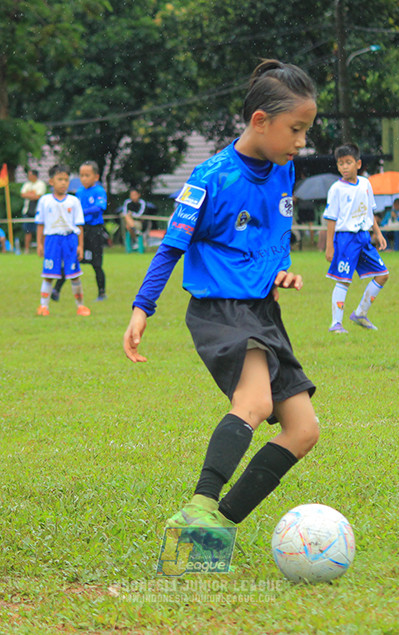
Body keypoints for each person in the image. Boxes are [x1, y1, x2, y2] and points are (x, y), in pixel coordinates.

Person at [122, 60, 319, 541]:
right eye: (295, 130)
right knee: (252, 401)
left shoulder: (283, 170)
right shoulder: (211, 177)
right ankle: (197, 510)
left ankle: (216, 526)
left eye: (306, 131)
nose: (301, 143)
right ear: (260, 121)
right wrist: (142, 308)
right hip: (220, 311)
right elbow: (171, 246)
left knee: (303, 430)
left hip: (261, 311)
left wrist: (280, 272)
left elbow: (275, 232)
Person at [323, 143, 389, 333]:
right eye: (341, 163)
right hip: (345, 239)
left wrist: (377, 233)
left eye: (348, 162)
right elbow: (331, 219)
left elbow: (369, 211)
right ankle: (336, 323)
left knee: (383, 274)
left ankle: (360, 313)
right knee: (343, 280)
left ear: (358, 164)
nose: (344, 167)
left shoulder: (365, 184)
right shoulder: (336, 189)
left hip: (363, 238)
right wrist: (330, 247)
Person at [34, 164, 90, 317]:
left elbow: (79, 225)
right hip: (52, 240)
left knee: (74, 274)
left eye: (66, 180)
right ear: (51, 181)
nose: (63, 183)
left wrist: (80, 245)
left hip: (70, 240)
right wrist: (40, 243)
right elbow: (40, 223)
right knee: (49, 274)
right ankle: (43, 306)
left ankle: (81, 306)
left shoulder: (74, 201)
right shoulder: (45, 200)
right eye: (60, 179)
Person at [54, 161, 107, 301]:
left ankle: (102, 293)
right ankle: (56, 290)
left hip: (94, 230)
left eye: (87, 175)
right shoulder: (79, 192)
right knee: (71, 258)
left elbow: (100, 207)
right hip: (79, 230)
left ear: (96, 177)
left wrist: (82, 212)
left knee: (96, 264)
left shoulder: (99, 191)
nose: (83, 178)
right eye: (81, 175)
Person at [19, 168, 47, 253]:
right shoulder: (27, 184)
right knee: (27, 231)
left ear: (35, 176)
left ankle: (42, 248)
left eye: (30, 175)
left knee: (41, 230)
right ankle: (27, 249)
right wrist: (32, 194)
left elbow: (38, 196)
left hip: (38, 211)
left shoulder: (41, 184)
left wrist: (29, 194)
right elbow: (23, 194)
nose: (29, 177)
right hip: (27, 211)